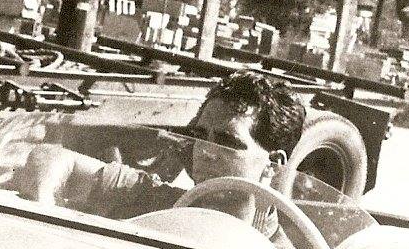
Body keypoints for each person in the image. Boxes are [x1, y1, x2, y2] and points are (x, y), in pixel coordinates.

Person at [17, 70, 307, 220]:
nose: (204, 150)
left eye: (227, 143)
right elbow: (50, 157)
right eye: (200, 135)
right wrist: (43, 208)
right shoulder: (160, 201)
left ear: (273, 164)